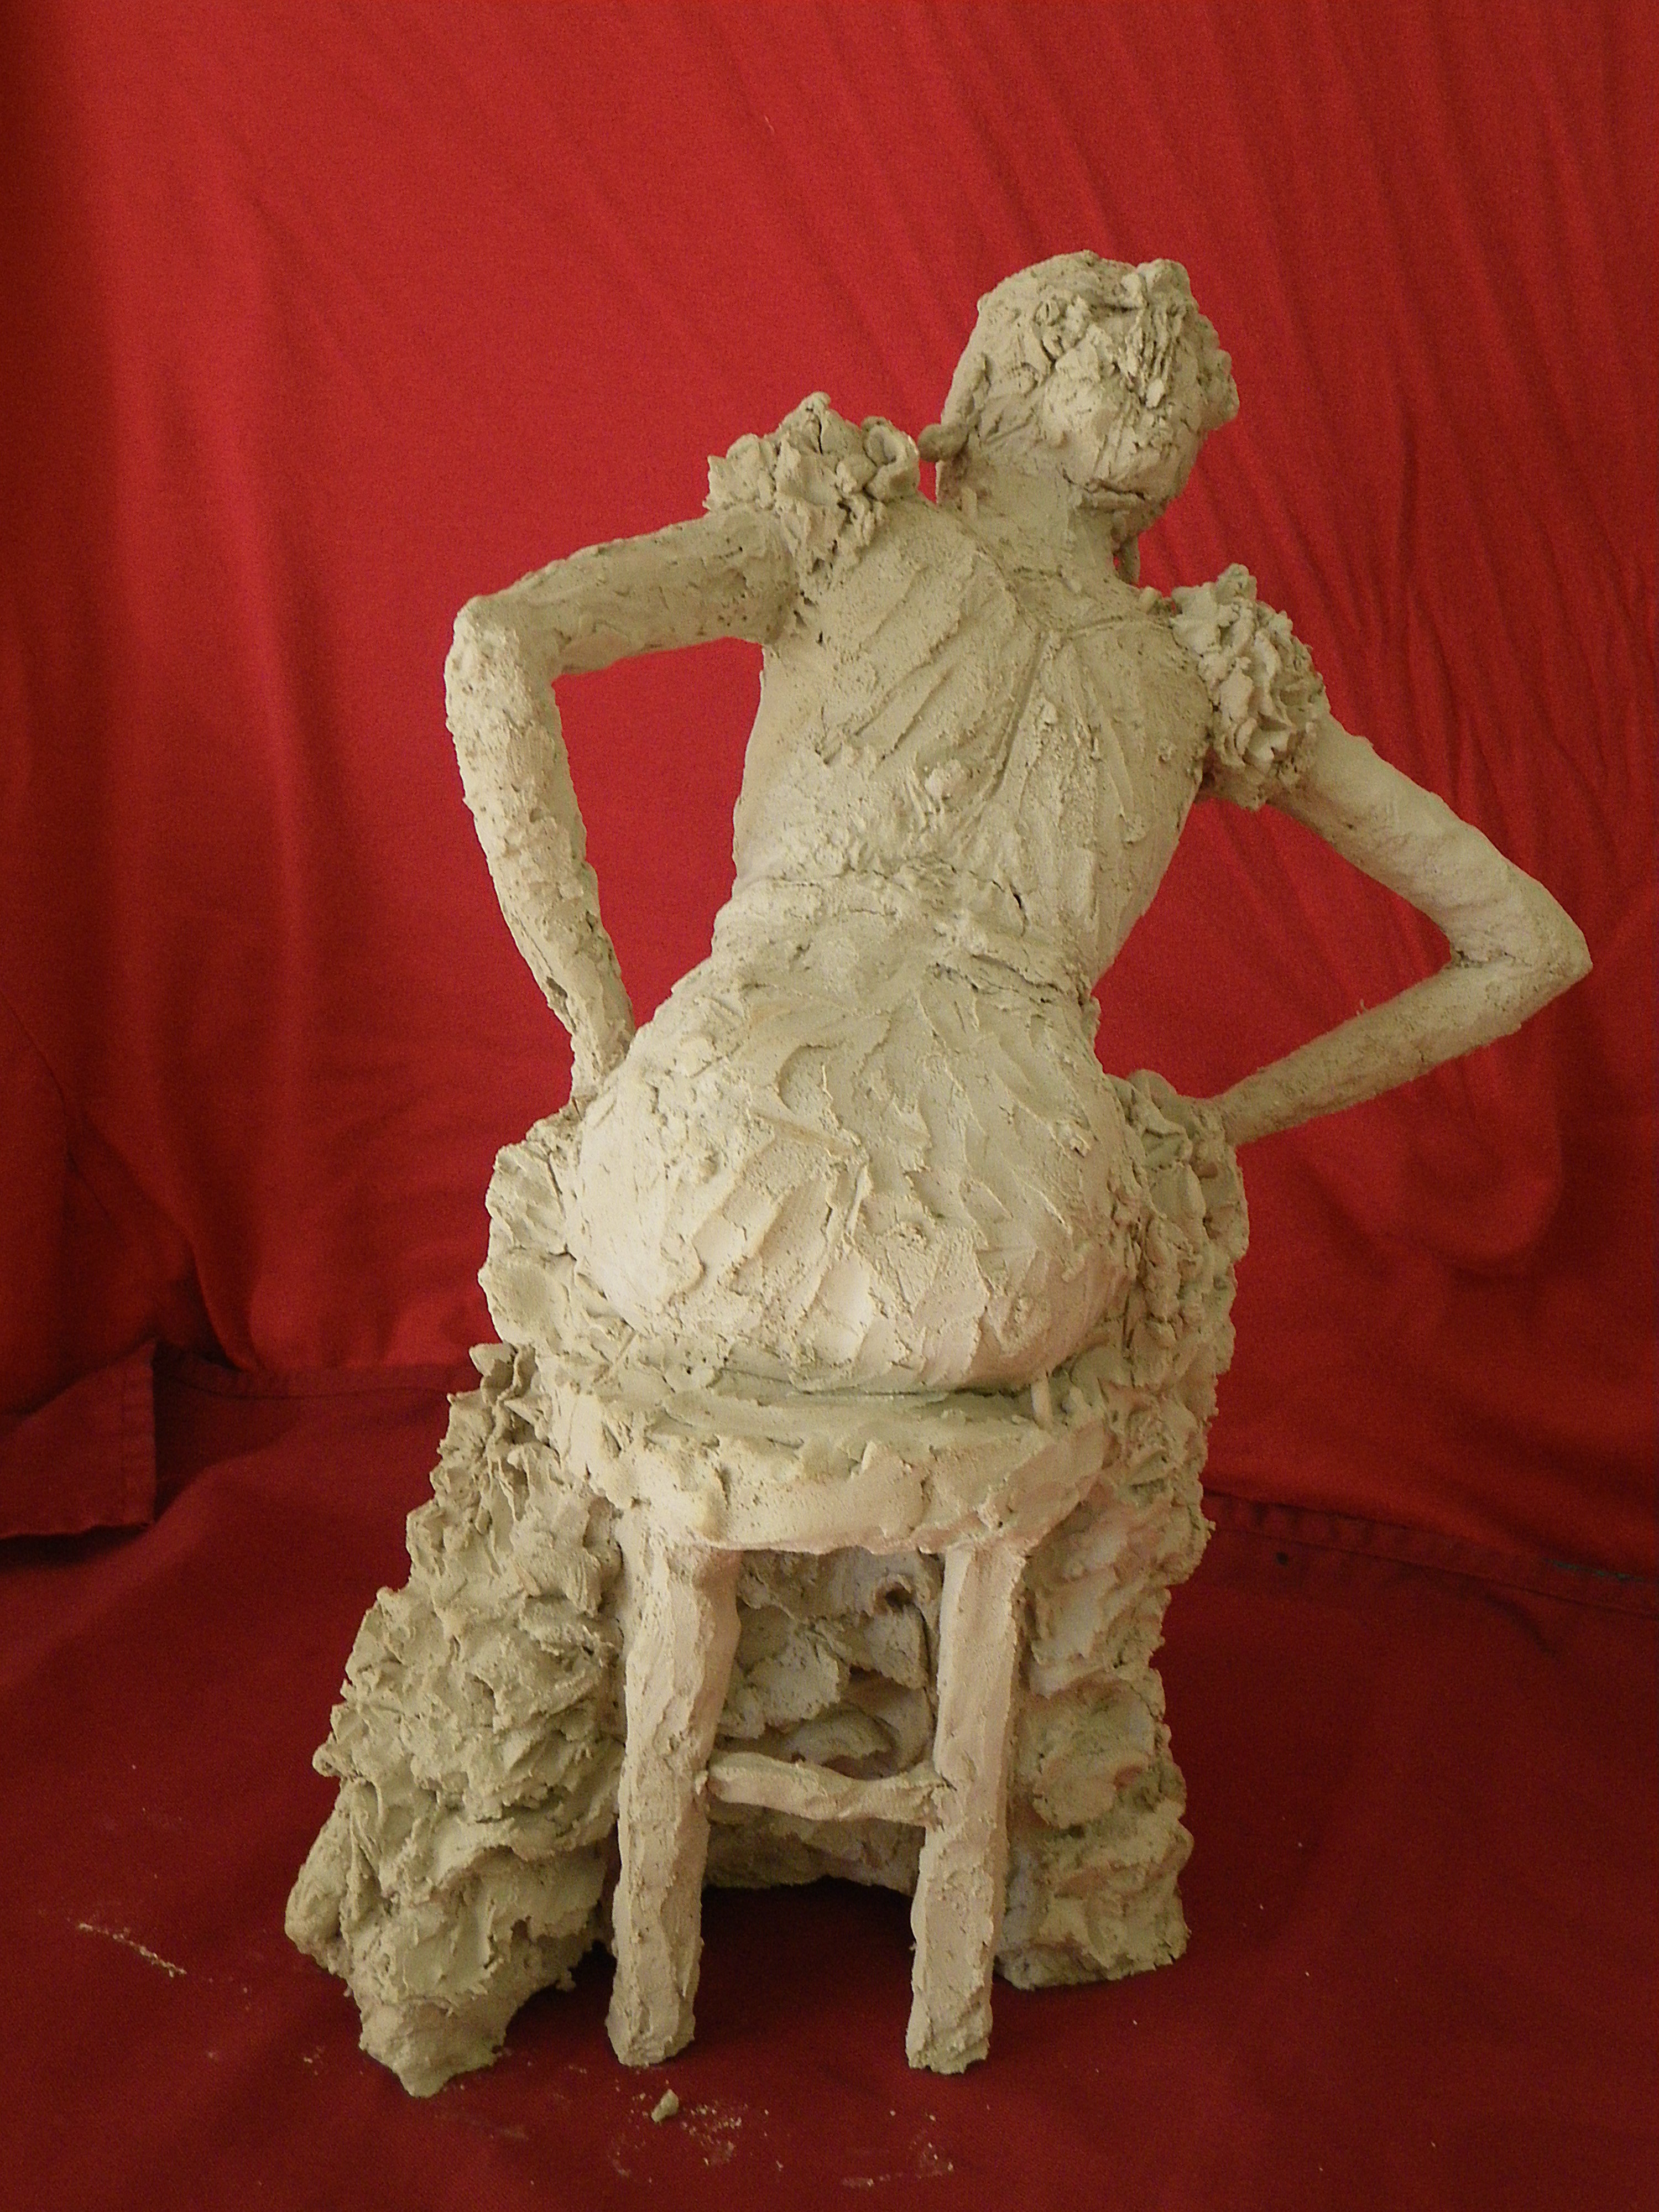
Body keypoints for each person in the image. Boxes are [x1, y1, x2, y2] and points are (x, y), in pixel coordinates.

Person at [444, 253, 1588, 1397]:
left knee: (644, 1245)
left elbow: (498, 645)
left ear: (988, 385)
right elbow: (1528, 944)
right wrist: (1209, 1128)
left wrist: (598, 1035)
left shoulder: (843, 526)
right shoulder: (1208, 672)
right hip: (1018, 1224)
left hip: (711, 1140)